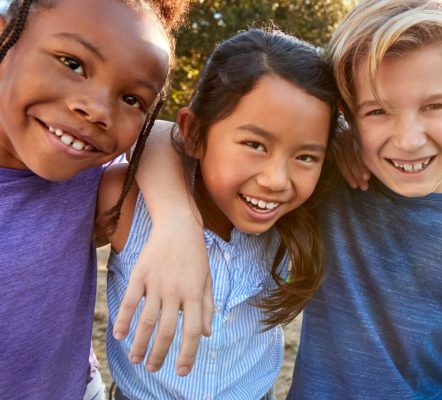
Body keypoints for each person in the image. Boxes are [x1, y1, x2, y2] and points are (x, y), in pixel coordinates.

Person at [286, 1, 442, 399]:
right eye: (378, 110)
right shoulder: (324, 180)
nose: (410, 140)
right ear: (348, 115)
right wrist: (337, 135)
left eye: (434, 106)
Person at [99, 28, 339, 399]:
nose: (277, 180)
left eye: (306, 156)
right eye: (255, 144)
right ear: (194, 133)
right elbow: (151, 134)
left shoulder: (302, 217)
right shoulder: (127, 202)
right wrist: (177, 222)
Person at [0, 0, 212, 397]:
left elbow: (163, 137)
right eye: (72, 63)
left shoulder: (85, 175)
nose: (97, 110)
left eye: (132, 99)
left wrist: (178, 224)